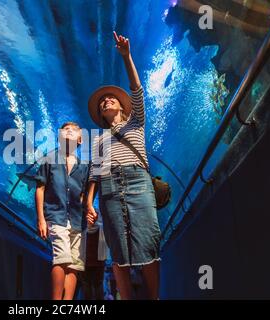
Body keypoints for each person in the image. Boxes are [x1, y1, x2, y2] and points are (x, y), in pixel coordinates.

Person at [85, 31, 161, 300]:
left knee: (148, 242)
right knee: (117, 250)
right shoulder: (99, 139)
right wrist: (88, 204)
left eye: (111, 99)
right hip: (108, 187)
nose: (107, 100)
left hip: (138, 181)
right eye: (103, 101)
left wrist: (126, 56)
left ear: (122, 107)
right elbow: (95, 172)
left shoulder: (136, 122)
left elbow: (137, 91)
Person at [35, 122, 89, 300]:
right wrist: (41, 219)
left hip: (77, 220)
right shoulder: (49, 158)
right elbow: (40, 188)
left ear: (80, 139)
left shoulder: (84, 167)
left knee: (74, 264)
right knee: (61, 258)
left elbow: (82, 194)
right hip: (56, 216)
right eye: (65, 130)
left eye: (73, 130)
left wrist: (87, 210)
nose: (68, 131)